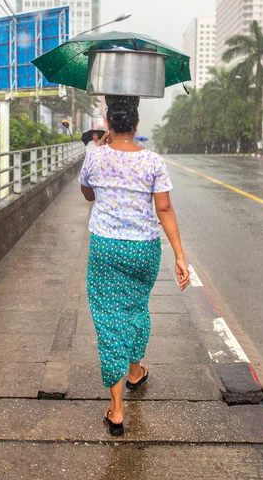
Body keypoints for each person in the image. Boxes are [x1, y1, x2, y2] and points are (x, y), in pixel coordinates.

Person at [79, 98, 189, 437]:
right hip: (144, 249)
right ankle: (136, 371)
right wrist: (180, 255)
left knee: (109, 318)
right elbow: (165, 209)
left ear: (109, 124)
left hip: (106, 248)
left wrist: (101, 148)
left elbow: (87, 194)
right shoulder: (153, 161)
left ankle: (116, 409)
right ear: (137, 125)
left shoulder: (95, 155)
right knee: (136, 307)